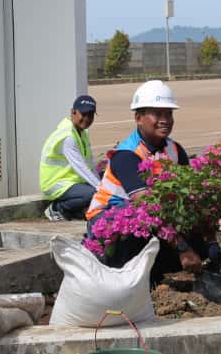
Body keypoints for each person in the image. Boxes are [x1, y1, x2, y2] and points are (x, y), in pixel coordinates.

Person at [86, 80, 209, 284]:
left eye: (168, 114)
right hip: (109, 223)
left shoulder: (175, 150)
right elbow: (148, 206)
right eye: (157, 114)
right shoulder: (126, 155)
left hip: (149, 218)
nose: (165, 120)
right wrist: (182, 247)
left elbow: (190, 198)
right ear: (138, 118)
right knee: (141, 220)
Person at [39, 95, 100, 221]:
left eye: (91, 115)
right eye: (83, 114)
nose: (87, 119)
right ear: (73, 112)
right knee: (93, 193)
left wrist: (102, 184)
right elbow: (81, 167)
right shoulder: (68, 137)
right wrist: (101, 189)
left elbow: (89, 164)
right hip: (55, 183)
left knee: (105, 178)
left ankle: (75, 211)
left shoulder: (82, 132)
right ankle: (57, 209)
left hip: (70, 181)